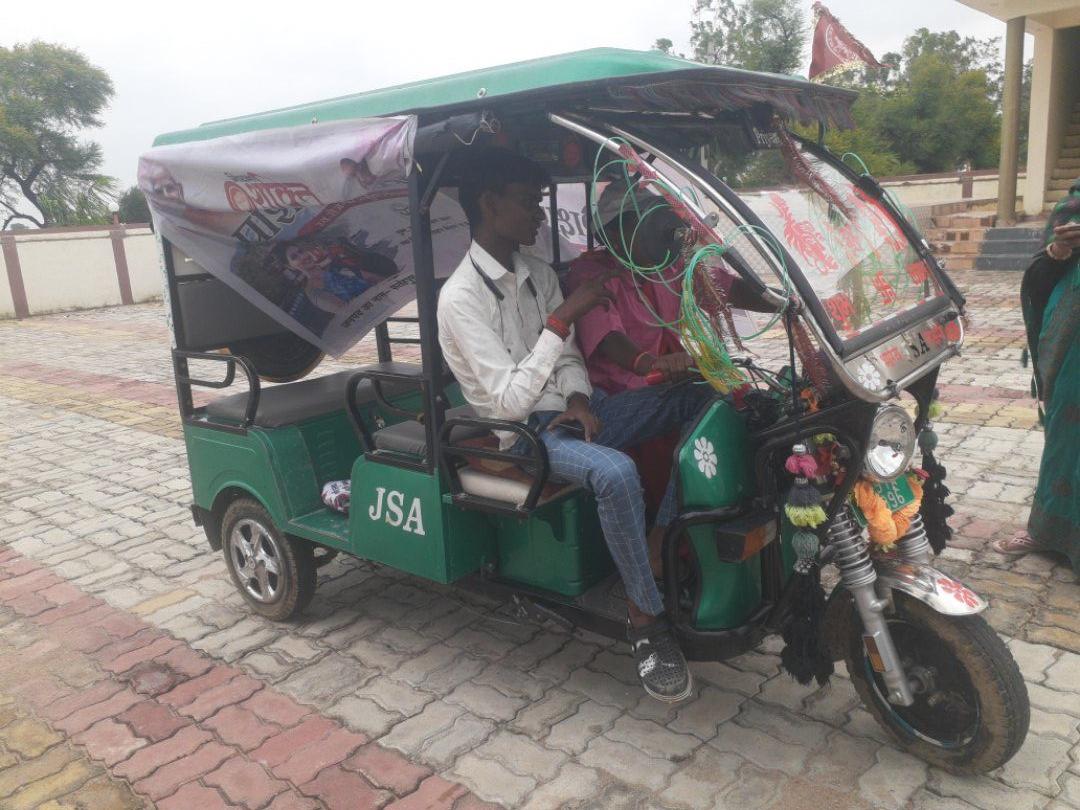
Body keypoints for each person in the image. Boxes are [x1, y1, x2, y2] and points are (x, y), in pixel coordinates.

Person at [437, 149, 698, 702]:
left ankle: (658, 539)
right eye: (528, 202)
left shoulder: (536, 273)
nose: (539, 214)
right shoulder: (460, 298)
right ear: (489, 204)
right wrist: (561, 320)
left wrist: (578, 396)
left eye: (539, 201)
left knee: (698, 397)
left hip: (570, 415)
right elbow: (509, 401)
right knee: (617, 472)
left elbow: (570, 358)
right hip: (523, 437)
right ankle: (645, 621)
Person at [563, 180, 777, 571]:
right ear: (617, 232)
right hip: (621, 394)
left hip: (671, 381)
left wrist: (783, 302)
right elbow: (608, 339)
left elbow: (724, 287)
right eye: (645, 224)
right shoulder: (591, 273)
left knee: (747, 407)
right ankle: (663, 539)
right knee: (702, 417)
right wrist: (650, 363)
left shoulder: (669, 264)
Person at [991, 181, 1080, 573]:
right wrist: (1058, 252)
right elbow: (1040, 279)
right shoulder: (1072, 208)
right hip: (1072, 353)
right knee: (1064, 435)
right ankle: (1047, 531)